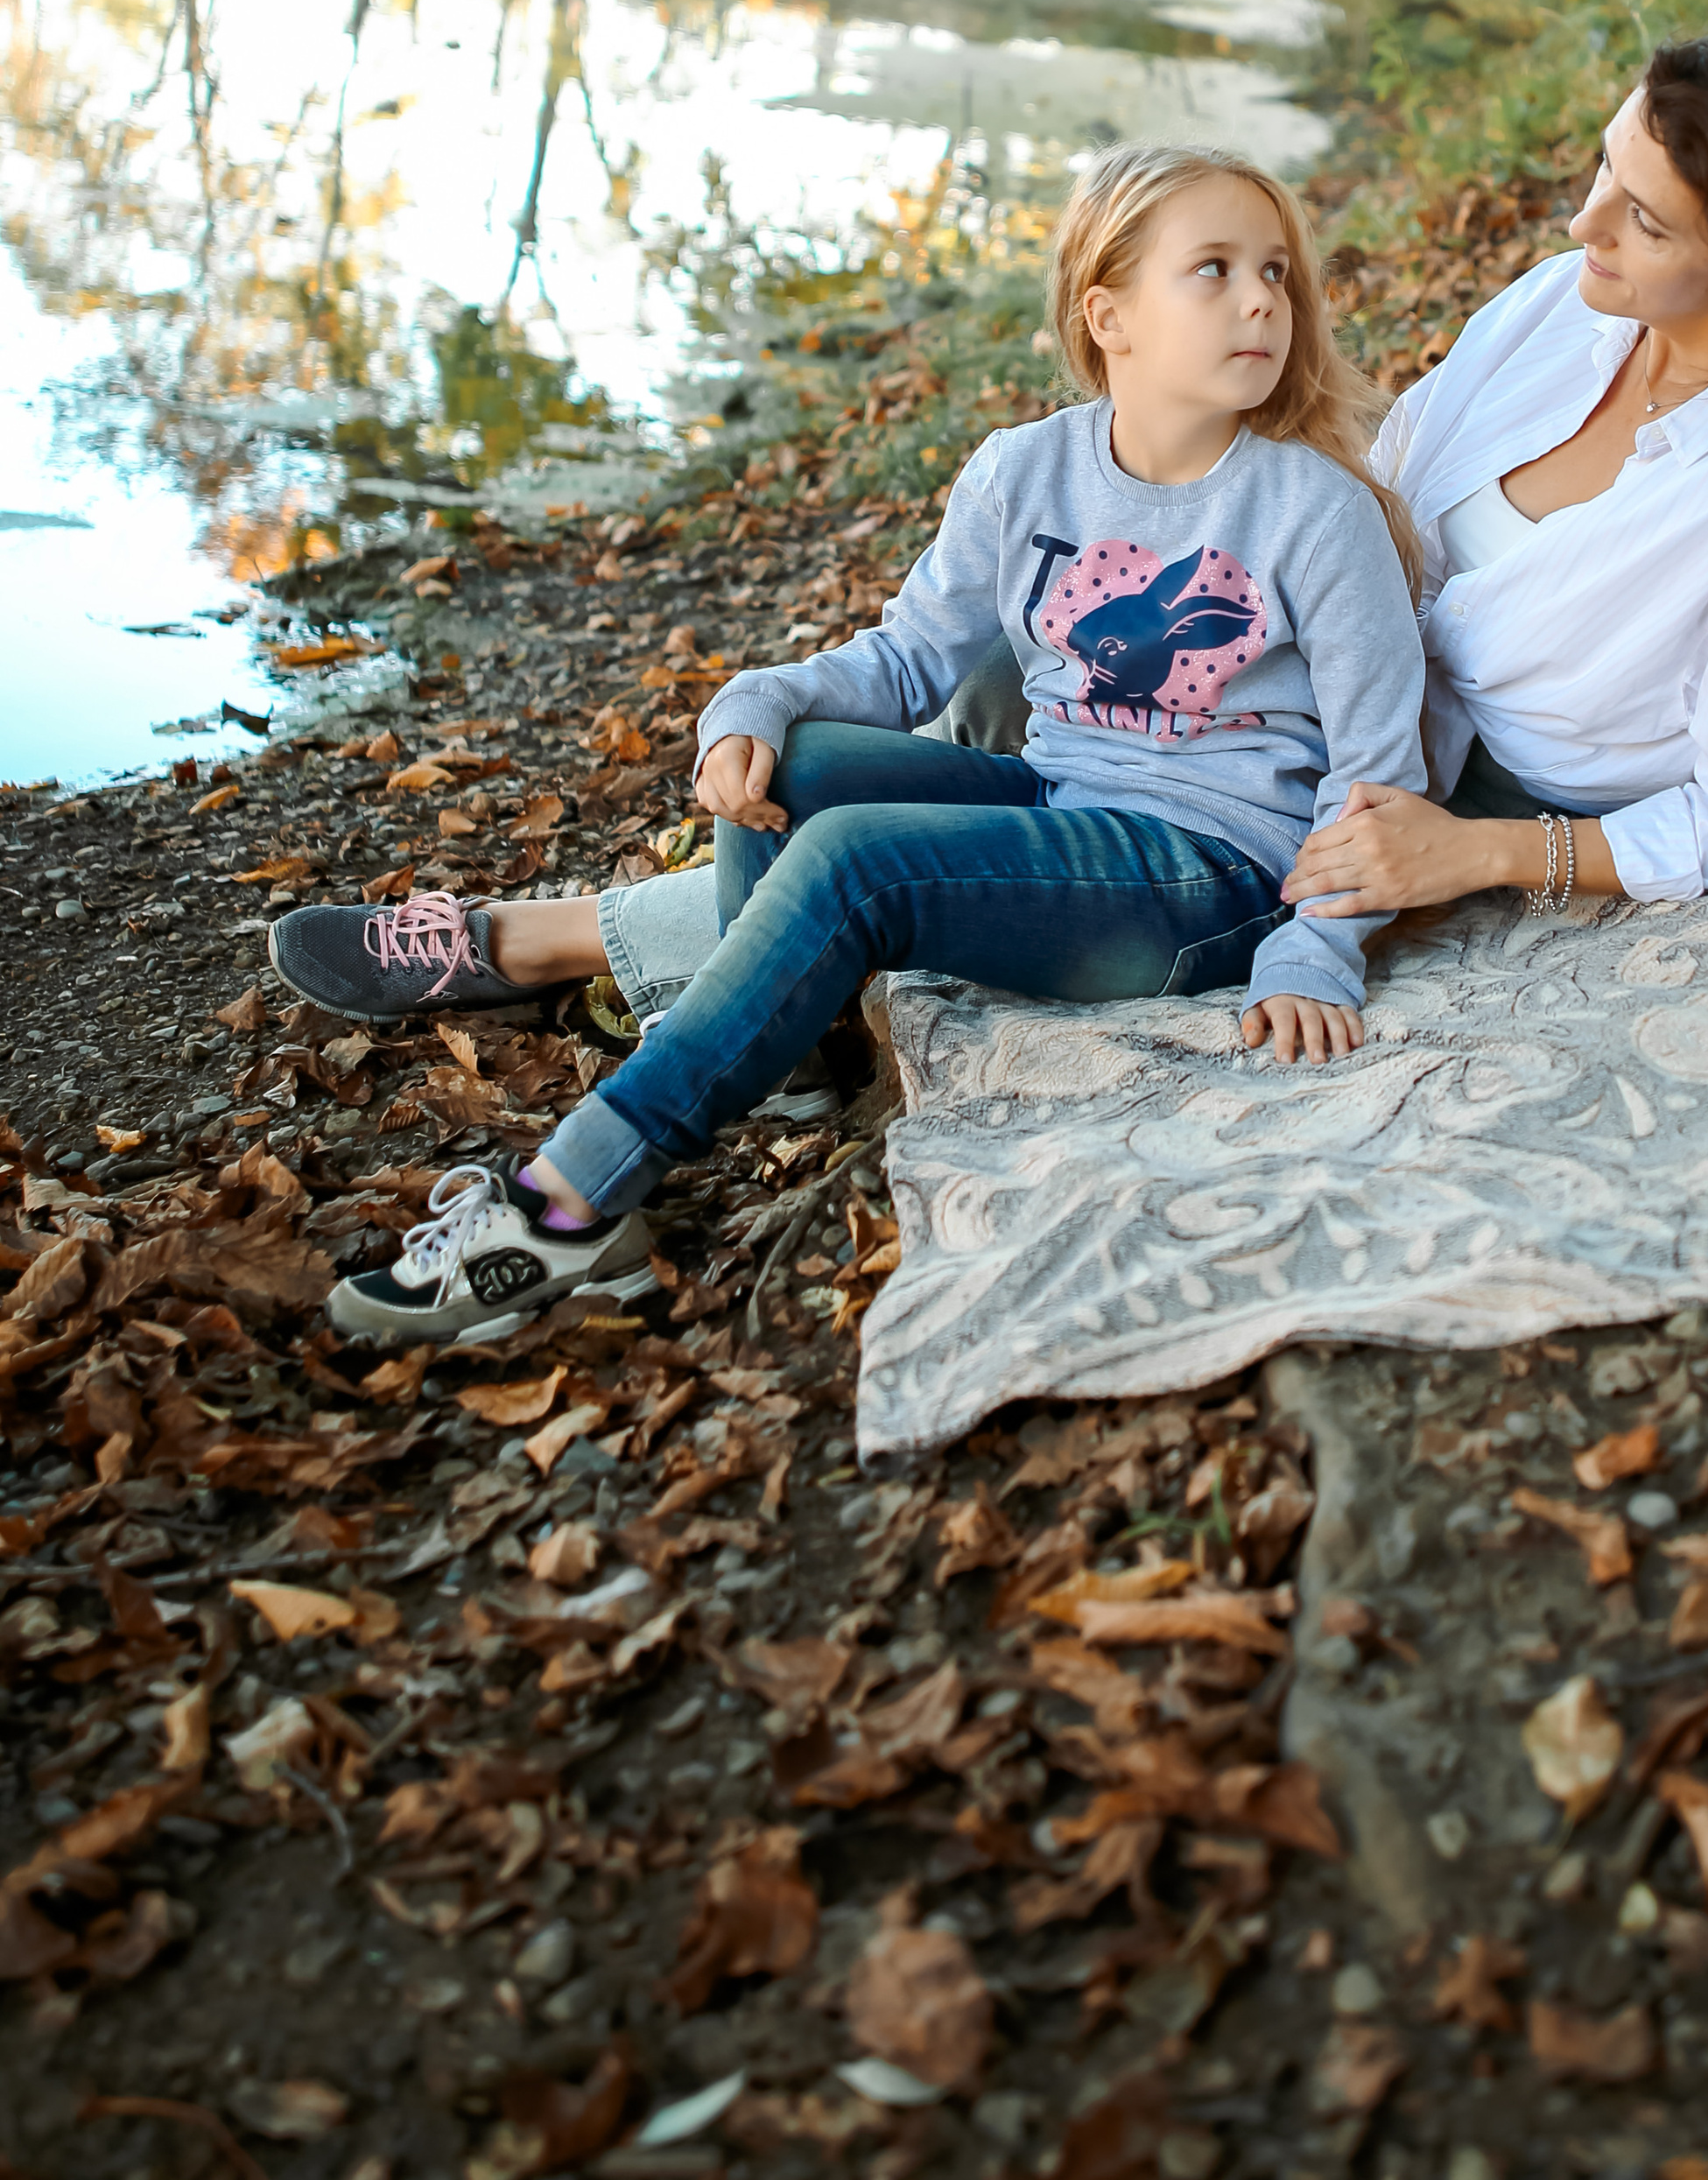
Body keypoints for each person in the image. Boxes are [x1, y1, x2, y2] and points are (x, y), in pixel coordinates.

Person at [308, 143, 1431, 1345]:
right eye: (1213, 269)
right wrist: (753, 702)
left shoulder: (1316, 512)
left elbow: (1381, 775)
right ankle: (787, 1056)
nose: (1262, 300)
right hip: (1062, 798)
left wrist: (1316, 948)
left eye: (1275, 272)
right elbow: (902, 664)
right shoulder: (1025, 472)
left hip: (1213, 874)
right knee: (799, 766)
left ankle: (571, 1203)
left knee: (858, 862)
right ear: (1108, 316)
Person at [1282, 16, 1708, 928]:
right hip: (1332, 695)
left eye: (1645, 220)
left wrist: (1477, 852)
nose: (1586, 223)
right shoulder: (1562, 304)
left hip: (1486, 785)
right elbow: (1380, 490)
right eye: (1607, 164)